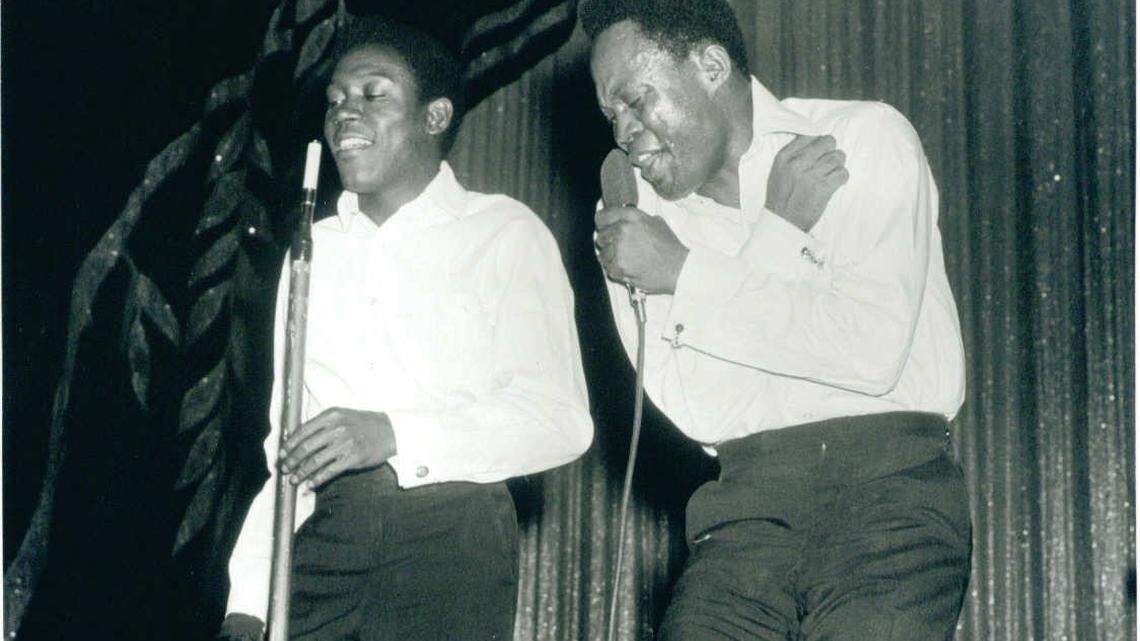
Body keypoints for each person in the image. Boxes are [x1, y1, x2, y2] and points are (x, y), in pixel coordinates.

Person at [580, 0, 970, 639]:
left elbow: (871, 353)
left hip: (890, 496)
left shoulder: (859, 140)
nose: (623, 131)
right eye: (610, 114)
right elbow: (705, 410)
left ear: (710, 66)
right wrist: (780, 233)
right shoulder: (635, 216)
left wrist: (686, 274)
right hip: (743, 517)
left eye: (635, 99)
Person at [219, 16, 593, 641]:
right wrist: (247, 606)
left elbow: (560, 420)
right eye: (335, 100)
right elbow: (285, 453)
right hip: (326, 539)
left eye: (374, 94)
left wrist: (395, 433)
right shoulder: (315, 249)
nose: (344, 113)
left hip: (451, 536)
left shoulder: (503, 231)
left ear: (435, 116)